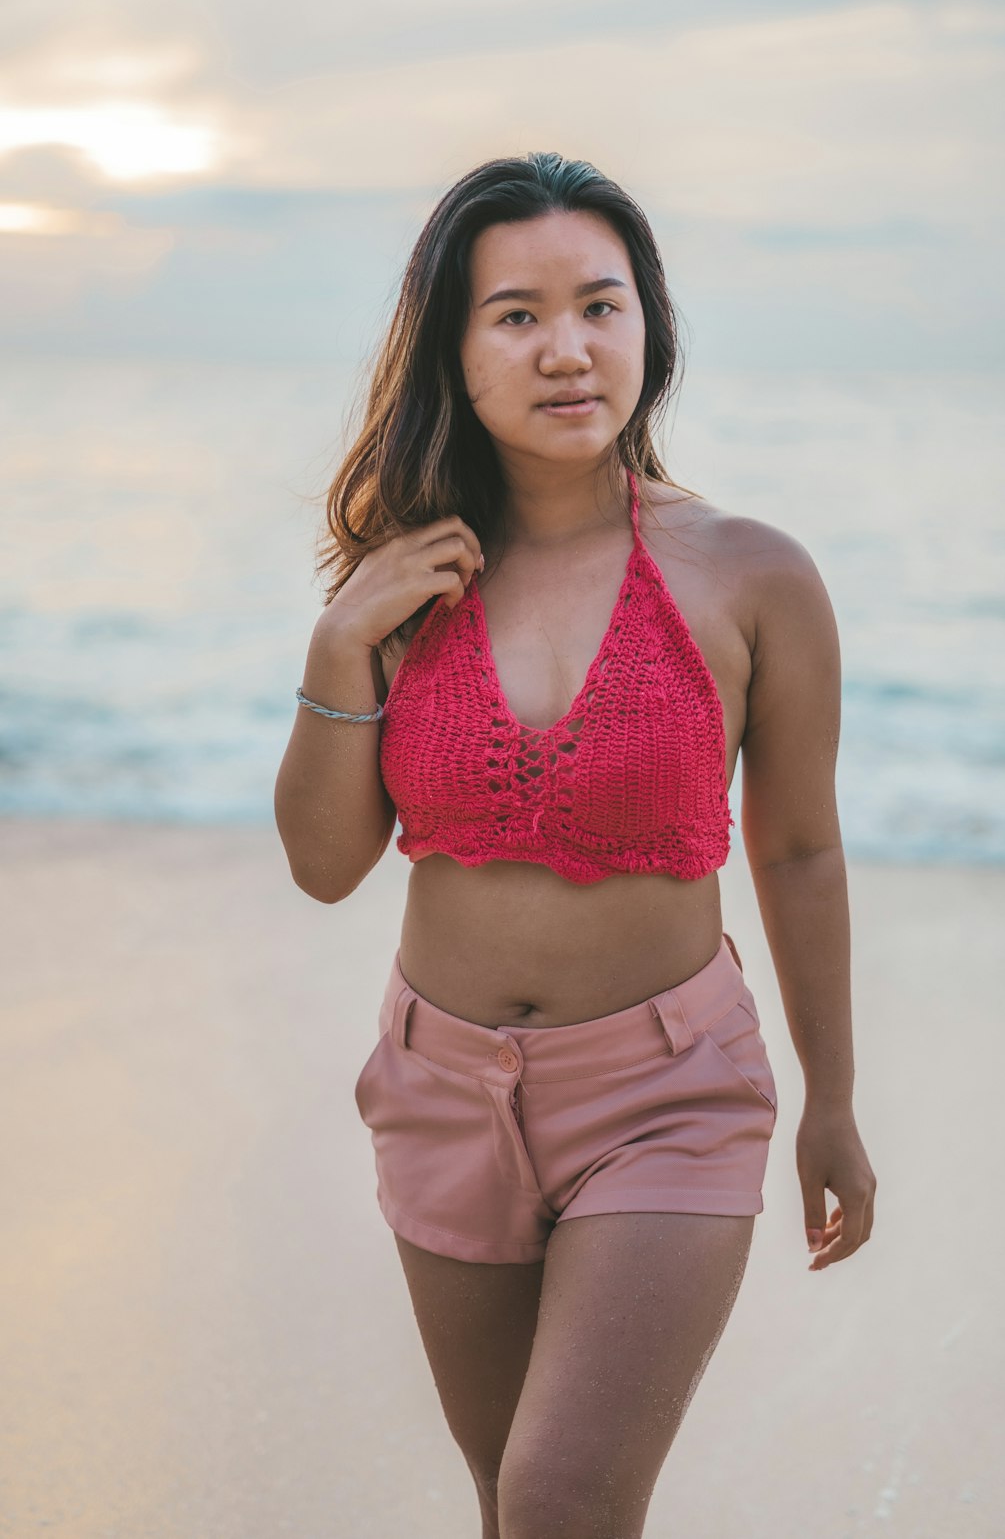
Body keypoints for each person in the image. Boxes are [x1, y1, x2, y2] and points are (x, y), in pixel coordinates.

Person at [274, 150, 876, 1539]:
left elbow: (797, 852)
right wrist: (341, 640)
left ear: (649, 330)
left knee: (560, 1500)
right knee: (510, 1508)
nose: (568, 349)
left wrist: (832, 1097)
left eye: (601, 306)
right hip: (440, 1091)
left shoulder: (751, 573)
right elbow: (323, 861)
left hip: (666, 1092)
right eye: (518, 314)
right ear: (455, 349)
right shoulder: (402, 581)